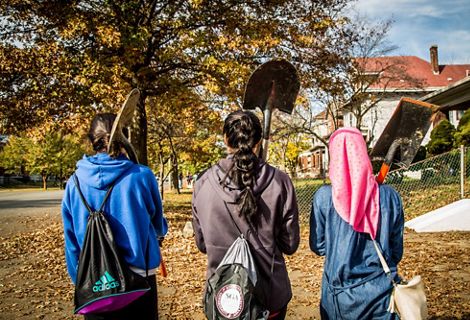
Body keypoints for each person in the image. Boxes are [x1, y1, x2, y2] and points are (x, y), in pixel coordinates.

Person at [191, 110, 300, 319]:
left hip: (223, 299)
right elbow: (290, 244)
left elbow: (202, 244)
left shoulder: (202, 184)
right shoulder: (280, 182)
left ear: (225, 139)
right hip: (270, 298)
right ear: (258, 141)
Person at [61, 113, 168, 320]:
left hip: (96, 281)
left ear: (92, 140)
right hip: (140, 277)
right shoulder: (142, 175)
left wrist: (80, 279)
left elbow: (71, 240)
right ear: (124, 136)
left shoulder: (73, 184)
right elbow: (158, 226)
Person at [309, 127, 404, 319]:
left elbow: (318, 247)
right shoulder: (390, 196)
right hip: (382, 295)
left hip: (339, 300)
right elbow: (396, 252)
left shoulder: (323, 197)